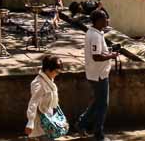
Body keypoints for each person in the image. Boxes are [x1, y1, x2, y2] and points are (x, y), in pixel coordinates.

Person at [76, 9, 119, 141]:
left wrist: (109, 51)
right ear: (99, 20)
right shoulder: (94, 36)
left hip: (97, 73)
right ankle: (98, 133)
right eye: (105, 18)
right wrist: (112, 55)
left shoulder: (95, 33)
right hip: (98, 75)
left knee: (97, 103)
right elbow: (97, 56)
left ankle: (82, 123)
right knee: (102, 105)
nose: (107, 20)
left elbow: (100, 52)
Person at [25, 54, 67, 139]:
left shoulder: (49, 80)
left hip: (48, 122)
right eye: (56, 71)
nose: (57, 74)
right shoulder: (39, 84)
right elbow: (33, 102)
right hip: (40, 125)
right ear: (48, 70)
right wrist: (30, 122)